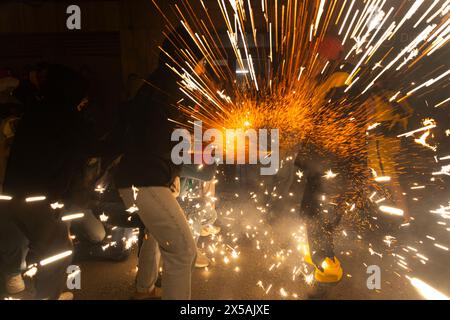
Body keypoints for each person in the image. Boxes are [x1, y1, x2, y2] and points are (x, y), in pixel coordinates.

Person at [113, 28, 203, 300]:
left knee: (156, 233)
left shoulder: (156, 84)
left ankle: (144, 289)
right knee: (183, 250)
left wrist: (172, 173)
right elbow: (177, 140)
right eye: (199, 61)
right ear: (187, 59)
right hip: (147, 179)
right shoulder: (175, 89)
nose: (201, 69)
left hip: (140, 177)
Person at [1, 63, 90, 300]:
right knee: (58, 251)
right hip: (37, 198)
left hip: (11, 195)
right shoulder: (68, 117)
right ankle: (47, 295)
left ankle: (40, 287)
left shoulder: (37, 109)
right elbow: (76, 158)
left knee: (42, 246)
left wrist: (18, 85)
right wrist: (74, 199)